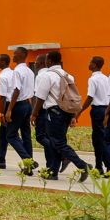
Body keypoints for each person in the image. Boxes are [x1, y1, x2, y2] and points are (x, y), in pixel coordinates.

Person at [33, 50, 88, 178]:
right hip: (67, 112)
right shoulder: (68, 75)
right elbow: (72, 97)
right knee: (55, 142)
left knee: (58, 143)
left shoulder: (48, 75)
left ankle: (83, 166)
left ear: (50, 61)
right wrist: (74, 115)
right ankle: (53, 172)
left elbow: (40, 97)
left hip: (54, 113)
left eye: (47, 59)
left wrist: (34, 114)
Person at [0, 55, 26, 170]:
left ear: (3, 62)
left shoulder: (2, 77)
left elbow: (2, 97)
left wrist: (2, 113)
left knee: (12, 135)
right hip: (19, 104)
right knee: (3, 134)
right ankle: (0, 160)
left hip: (8, 105)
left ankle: (27, 158)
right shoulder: (13, 73)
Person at [81, 56, 110, 173]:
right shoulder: (106, 78)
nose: (88, 64)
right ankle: (99, 166)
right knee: (97, 139)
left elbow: (90, 97)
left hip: (98, 110)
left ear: (94, 65)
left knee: (100, 139)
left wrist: (79, 111)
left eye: (90, 62)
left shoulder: (93, 79)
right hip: (106, 109)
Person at [9, 47, 36, 162]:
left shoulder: (17, 71)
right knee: (26, 135)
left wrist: (9, 109)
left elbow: (16, 90)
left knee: (11, 135)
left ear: (22, 55)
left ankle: (27, 159)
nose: (13, 55)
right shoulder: (29, 71)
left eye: (15, 54)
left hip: (19, 105)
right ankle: (29, 166)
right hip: (28, 104)